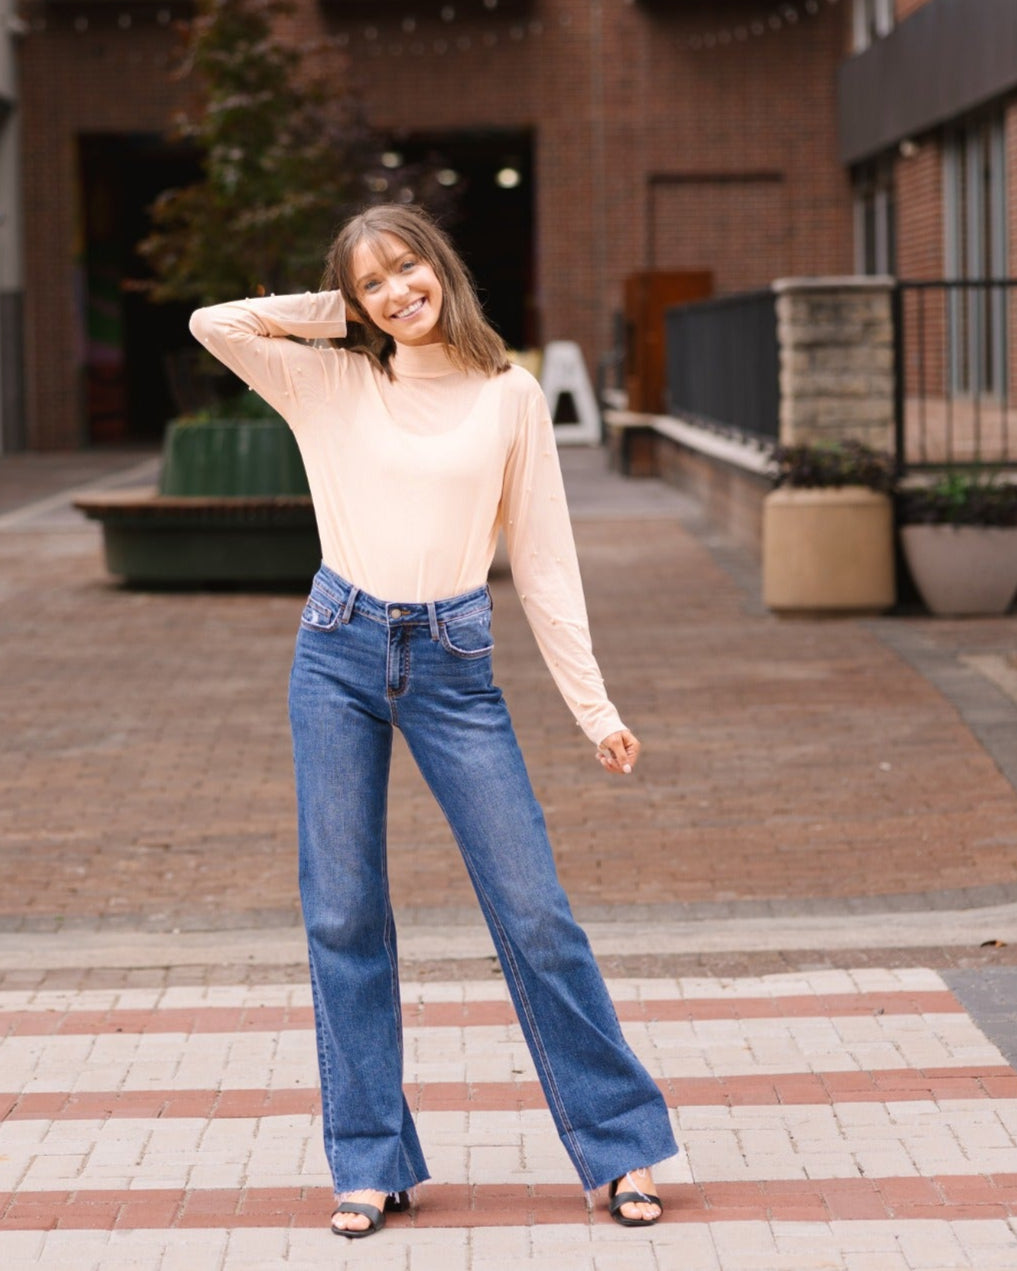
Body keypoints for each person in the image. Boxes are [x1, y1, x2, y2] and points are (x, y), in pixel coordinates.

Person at [189, 203, 678, 1239]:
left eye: (407, 268)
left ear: (440, 265)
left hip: (455, 662)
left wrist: (594, 706)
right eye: (374, 284)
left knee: (536, 910)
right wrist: (343, 313)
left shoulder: (508, 395)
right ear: (352, 301)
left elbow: (543, 557)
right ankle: (369, 1160)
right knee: (343, 911)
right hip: (338, 650)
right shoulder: (330, 377)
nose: (397, 292)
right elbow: (214, 322)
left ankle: (621, 1146)